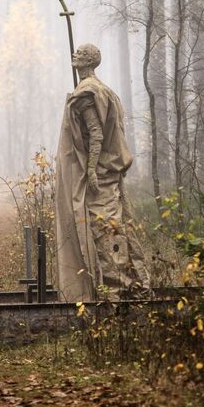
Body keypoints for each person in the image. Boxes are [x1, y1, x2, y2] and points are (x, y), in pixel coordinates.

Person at [54, 43, 148, 302]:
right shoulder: (103, 90)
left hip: (100, 176)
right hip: (109, 173)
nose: (75, 55)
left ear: (90, 61)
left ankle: (114, 294)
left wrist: (92, 170)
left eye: (81, 54)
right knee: (113, 229)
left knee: (105, 232)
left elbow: (96, 133)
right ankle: (120, 289)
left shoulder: (87, 93)